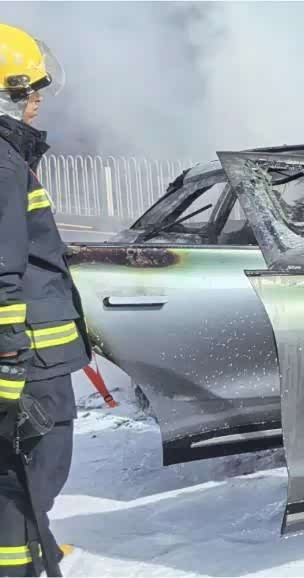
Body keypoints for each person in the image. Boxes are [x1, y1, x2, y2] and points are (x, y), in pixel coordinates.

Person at [0, 23, 90, 576]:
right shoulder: (3, 163)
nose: (37, 100)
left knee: (25, 466)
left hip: (34, 352)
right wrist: (9, 359)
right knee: (36, 466)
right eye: (27, 89)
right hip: (31, 357)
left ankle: (39, 548)